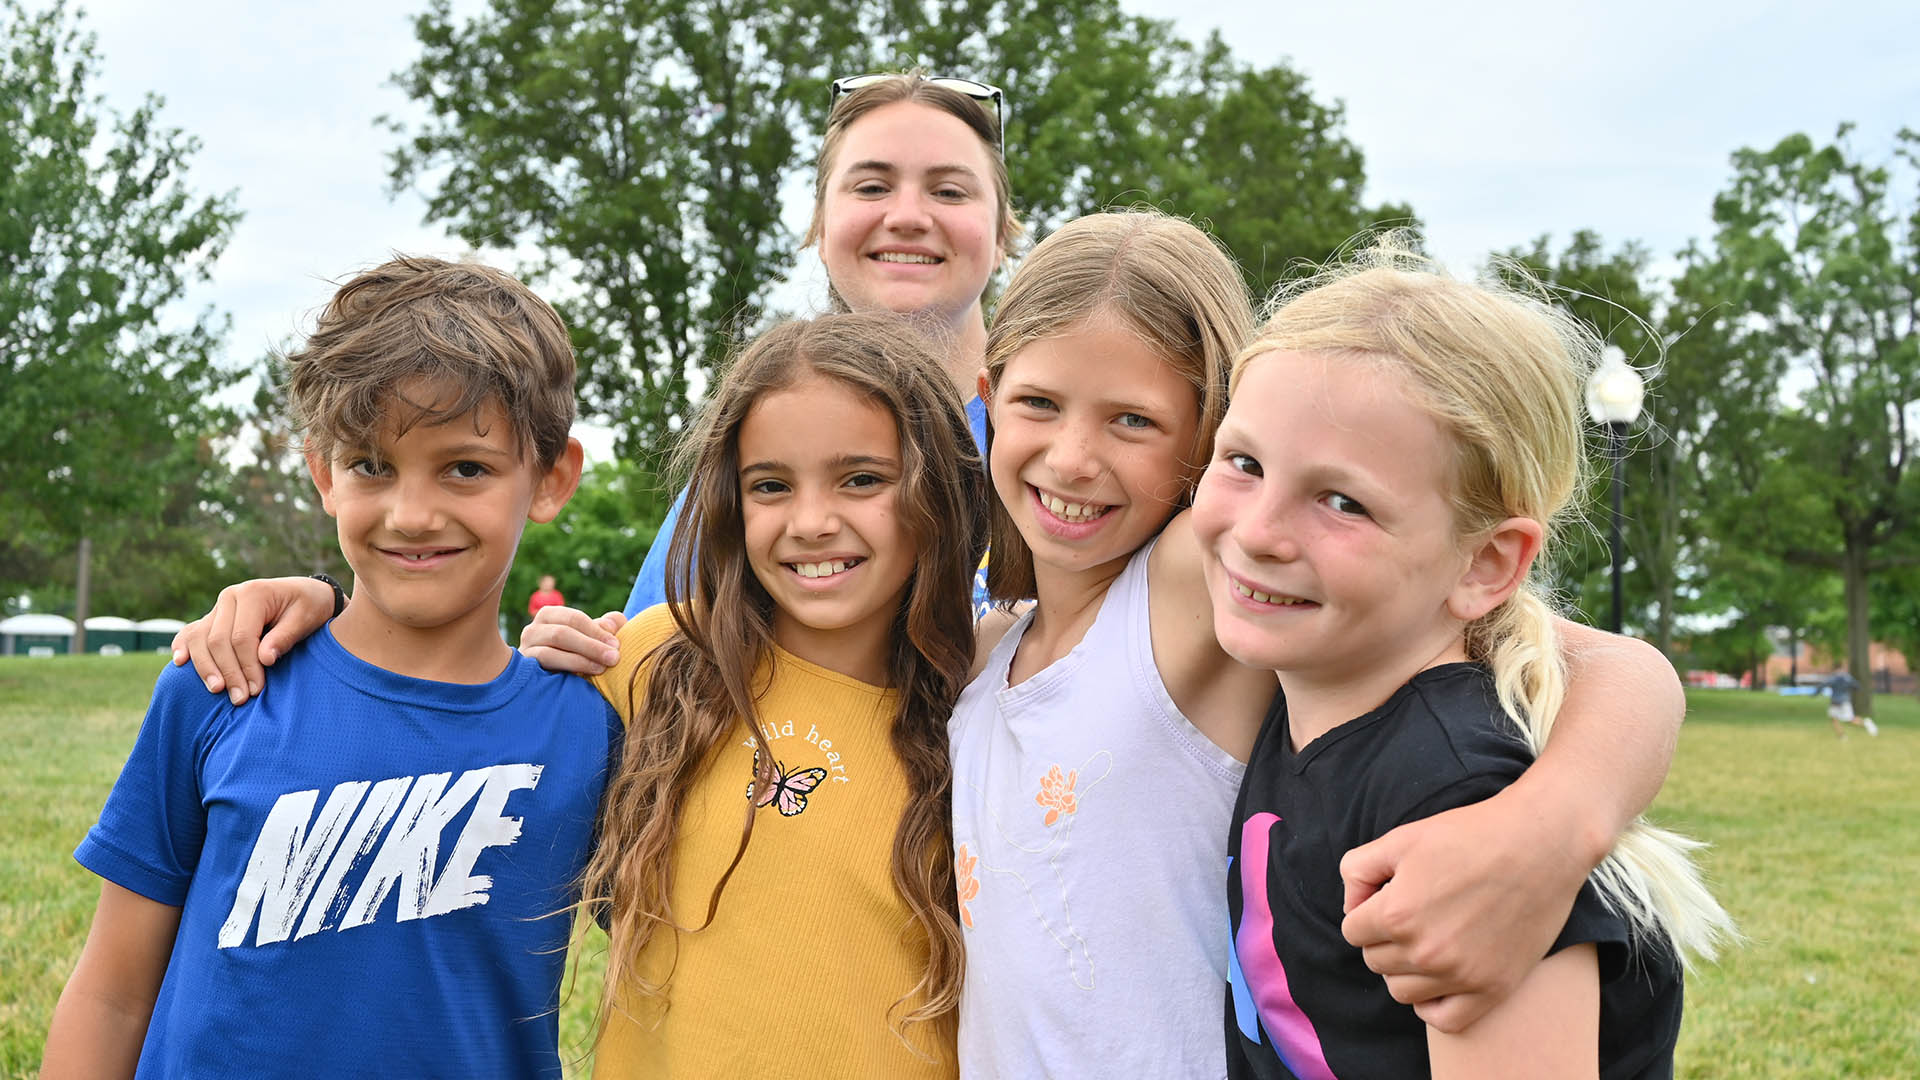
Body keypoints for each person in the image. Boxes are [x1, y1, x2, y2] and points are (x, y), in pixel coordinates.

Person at [949, 210, 1690, 1077]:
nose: (1074, 459)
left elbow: (1614, 662)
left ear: (1202, 433)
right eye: (1039, 404)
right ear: (992, 399)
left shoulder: (1201, 578)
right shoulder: (987, 651)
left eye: (1134, 421)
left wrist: (1554, 822)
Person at [40, 257, 616, 1077]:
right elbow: (113, 991)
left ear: (551, 478)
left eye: (466, 468)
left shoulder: (592, 726)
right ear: (323, 474)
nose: (412, 515)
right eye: (372, 466)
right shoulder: (222, 686)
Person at [1196, 240, 1736, 1077]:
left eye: (1343, 502)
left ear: (1486, 564)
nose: (1258, 532)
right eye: (1245, 463)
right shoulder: (1307, 678)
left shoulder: (1458, 800)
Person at [537, 312, 988, 1072]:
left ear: (938, 490)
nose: (811, 522)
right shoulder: (648, 660)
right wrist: (306, 606)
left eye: (863, 479)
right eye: (771, 485)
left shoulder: (984, 707)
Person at [623, 70, 1020, 618]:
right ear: (819, 228)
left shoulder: (1056, 440)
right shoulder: (755, 452)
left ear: (1002, 234)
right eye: (872, 187)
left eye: (949, 191)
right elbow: (654, 673)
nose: (906, 216)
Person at [1820, 669, 1877, 736]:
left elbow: (1824, 684)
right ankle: (1841, 736)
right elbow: (1856, 685)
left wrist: (1816, 692)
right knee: (1833, 718)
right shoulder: (1847, 677)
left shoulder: (1835, 677)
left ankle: (1865, 723)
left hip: (1841, 702)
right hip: (1838, 702)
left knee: (1849, 720)